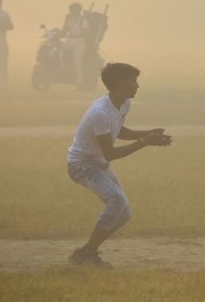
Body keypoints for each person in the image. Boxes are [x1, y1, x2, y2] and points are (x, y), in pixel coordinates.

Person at [66, 62, 171, 268]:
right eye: (133, 81)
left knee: (124, 214)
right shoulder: (100, 112)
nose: (137, 85)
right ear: (119, 84)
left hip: (98, 163)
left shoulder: (122, 104)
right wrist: (144, 142)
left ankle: (87, 252)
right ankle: (86, 253)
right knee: (116, 201)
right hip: (82, 165)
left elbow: (118, 131)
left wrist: (146, 133)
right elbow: (111, 153)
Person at [61, 2, 90, 88]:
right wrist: (66, 20)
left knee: (77, 61)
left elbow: (87, 33)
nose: (70, 12)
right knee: (58, 53)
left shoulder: (83, 20)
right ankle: (66, 74)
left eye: (71, 10)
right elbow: (64, 31)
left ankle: (80, 82)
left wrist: (88, 44)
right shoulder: (70, 19)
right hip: (70, 40)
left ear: (77, 11)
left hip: (80, 41)